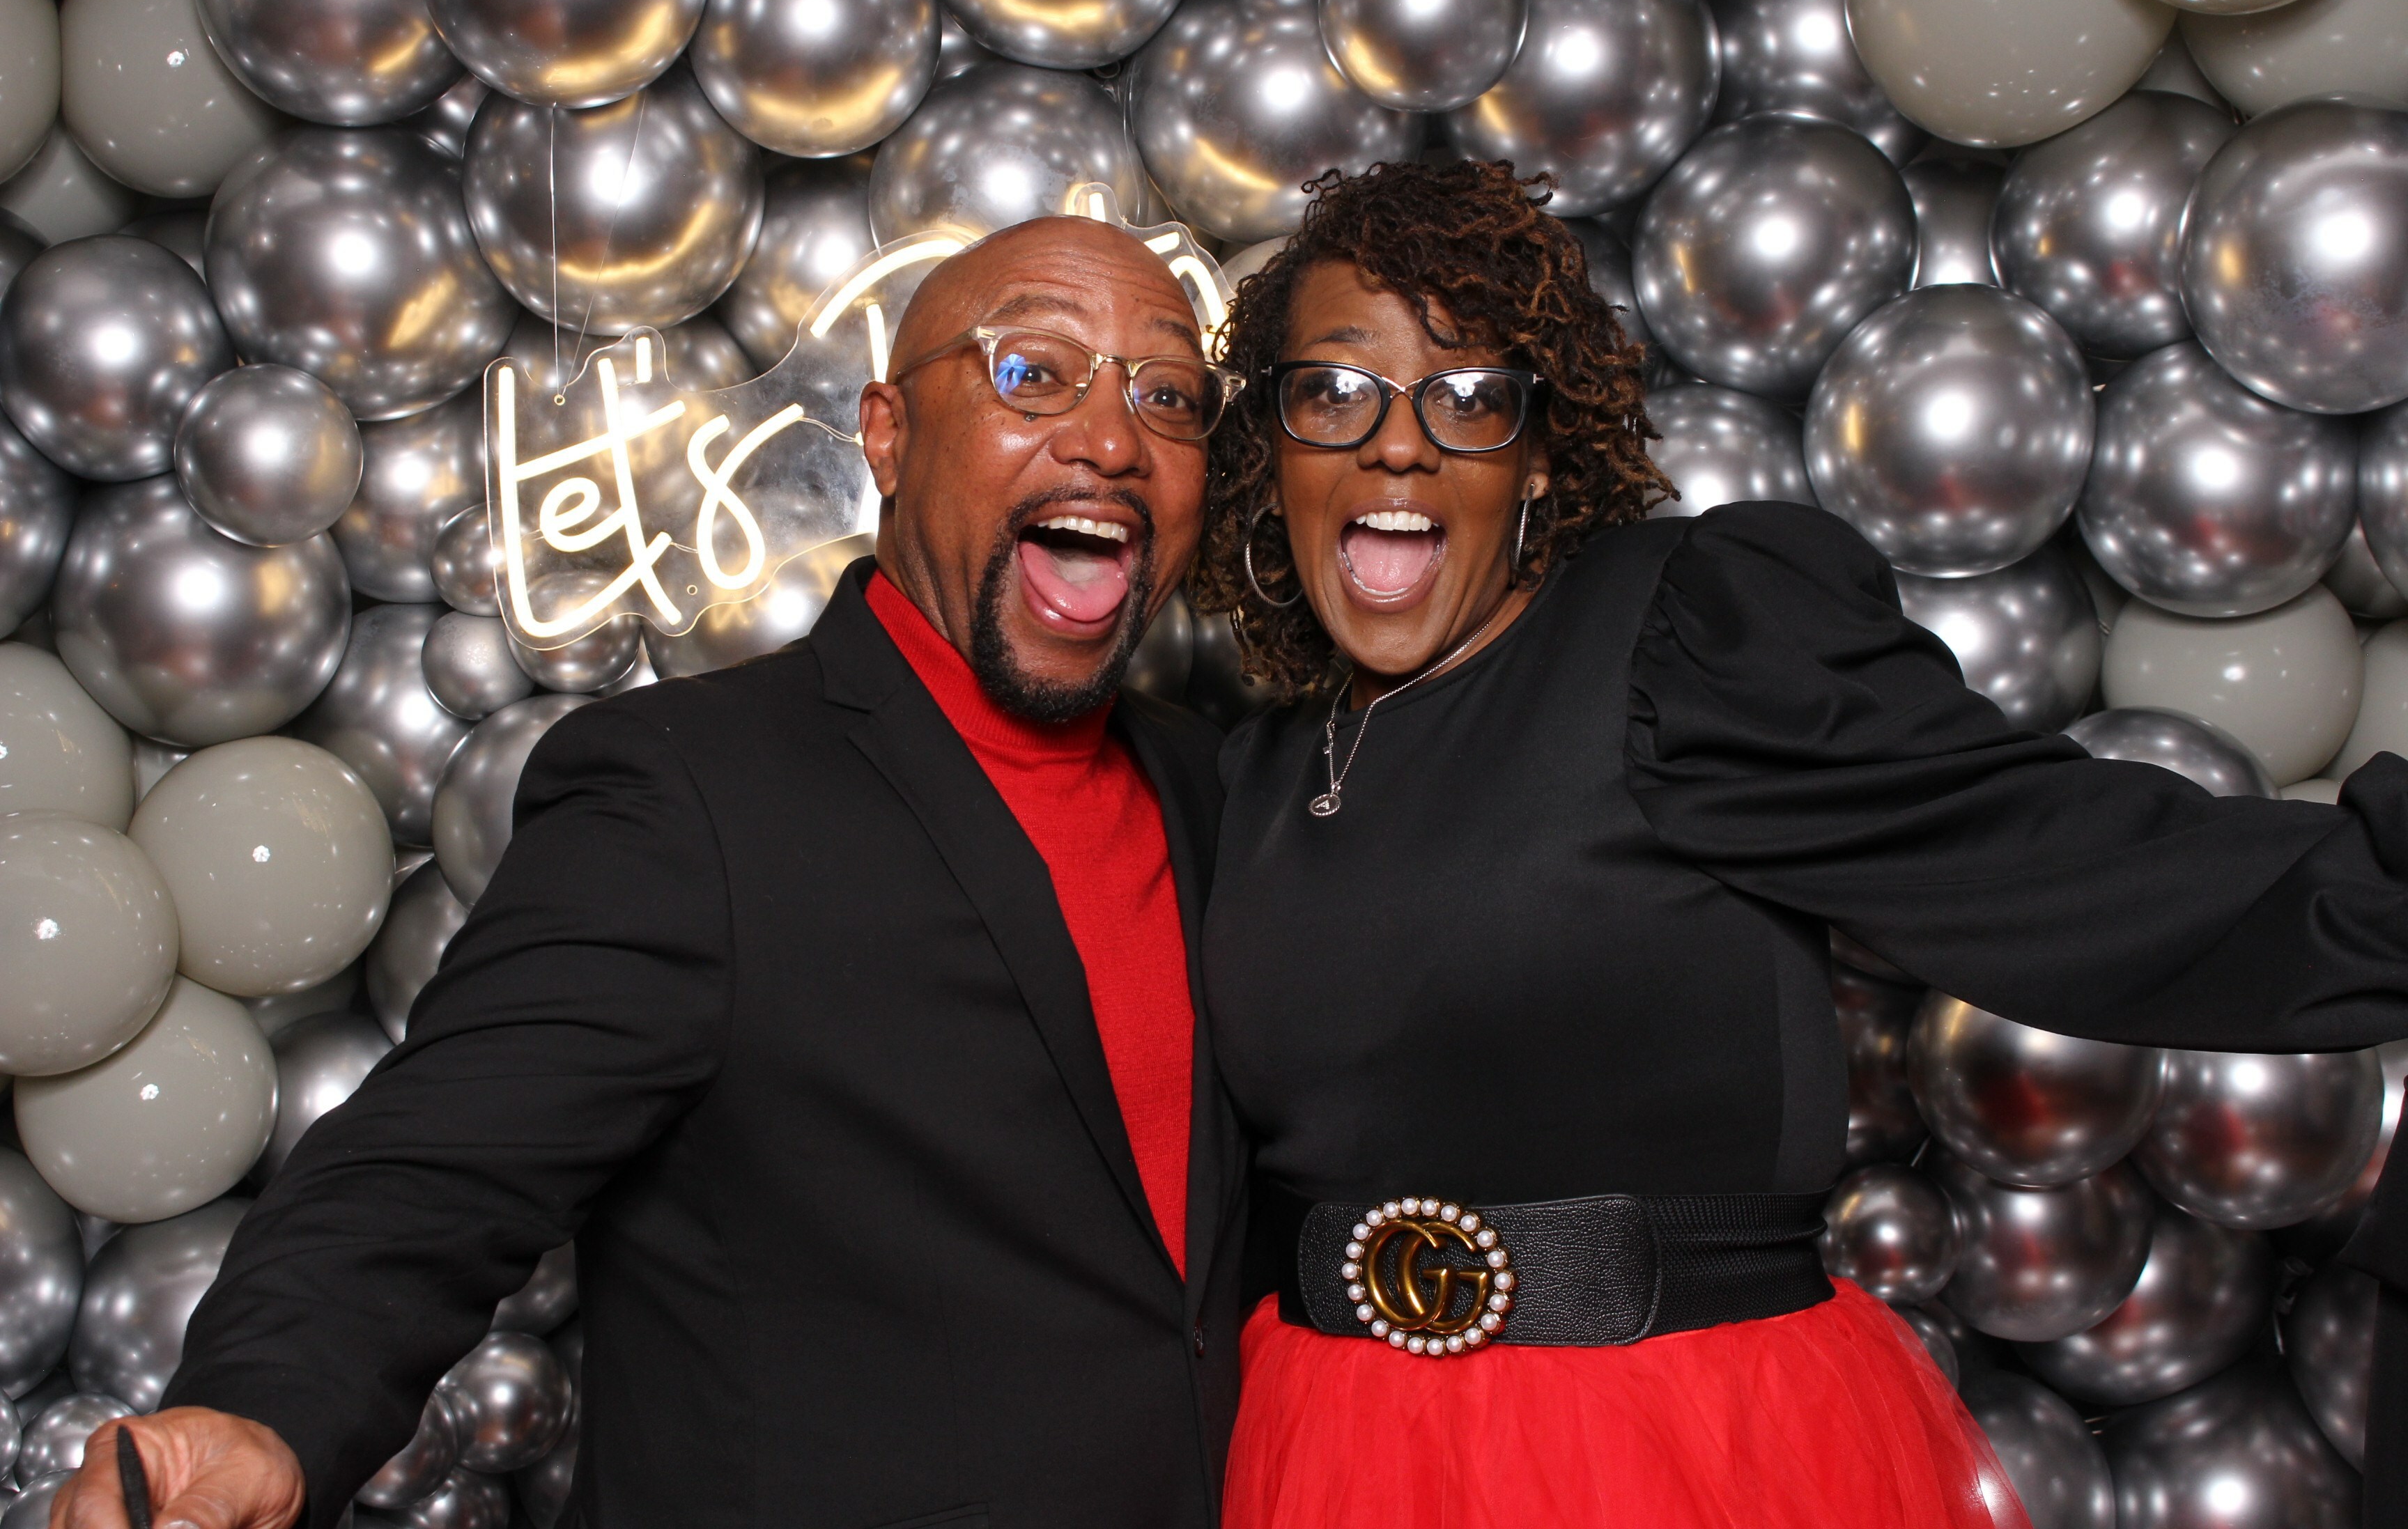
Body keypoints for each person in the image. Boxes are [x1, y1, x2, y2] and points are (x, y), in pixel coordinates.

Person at [1184, 158, 2408, 1529]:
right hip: (1332, 1451)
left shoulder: (1678, 643)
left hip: (1667, 1444)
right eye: (1333, 391)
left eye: (1469, 396)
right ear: (1273, 442)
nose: (1396, 445)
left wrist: (2382, 896)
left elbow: (2055, 863)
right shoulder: (1252, 775)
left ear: (1537, 456)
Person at [55, 215, 1253, 1529]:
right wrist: (261, 1409)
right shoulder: (687, 791)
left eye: (1169, 396)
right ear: (888, 435)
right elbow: (431, 1172)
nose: (1110, 439)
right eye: (1033, 373)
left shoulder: (1219, 791)